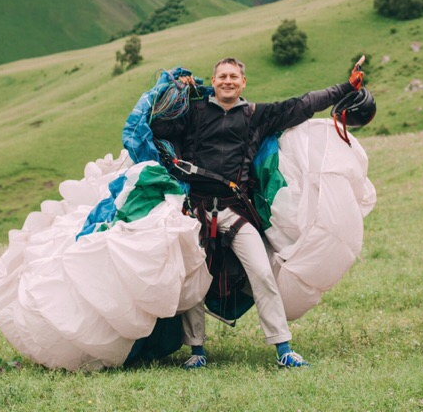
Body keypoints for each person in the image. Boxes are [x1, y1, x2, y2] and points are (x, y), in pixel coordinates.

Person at [151, 56, 364, 369]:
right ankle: (196, 351)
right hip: (194, 210)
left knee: (262, 273)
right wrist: (175, 90)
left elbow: (303, 105)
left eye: (233, 77)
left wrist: (345, 87)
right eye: (222, 76)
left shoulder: (256, 115)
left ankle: (284, 348)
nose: (227, 81)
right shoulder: (194, 111)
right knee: (193, 277)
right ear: (213, 80)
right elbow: (158, 125)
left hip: (235, 210)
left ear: (243, 82)